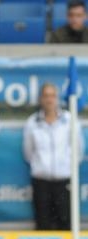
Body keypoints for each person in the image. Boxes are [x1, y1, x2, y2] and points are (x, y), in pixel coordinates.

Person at [23, 83, 85, 230]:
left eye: (52, 95)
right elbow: (28, 152)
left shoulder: (70, 120)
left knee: (66, 222)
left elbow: (78, 149)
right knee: (43, 223)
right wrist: (41, 167)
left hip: (64, 181)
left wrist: (66, 167)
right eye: (46, 96)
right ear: (40, 99)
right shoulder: (32, 122)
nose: (49, 99)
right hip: (41, 181)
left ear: (57, 98)